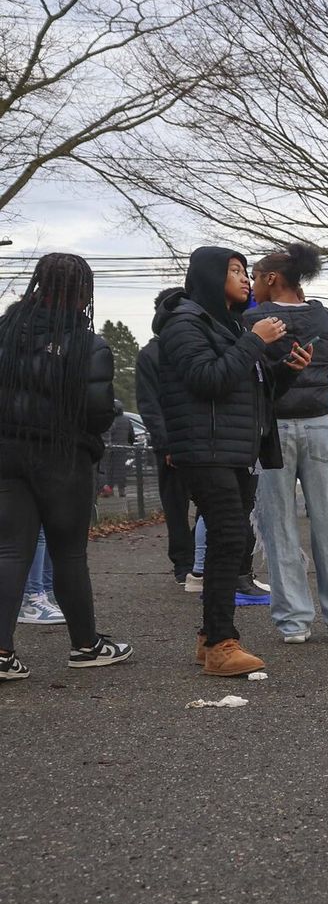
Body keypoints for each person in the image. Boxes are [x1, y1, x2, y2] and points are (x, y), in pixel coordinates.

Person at [155, 246, 310, 676]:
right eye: (235, 271)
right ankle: (222, 643)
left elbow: (248, 393)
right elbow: (208, 380)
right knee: (228, 538)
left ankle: (211, 639)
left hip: (234, 449)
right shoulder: (184, 323)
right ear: (209, 276)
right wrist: (255, 340)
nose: (245, 279)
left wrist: (287, 372)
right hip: (206, 451)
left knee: (232, 542)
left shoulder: (225, 326)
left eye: (245, 271)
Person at [0, 252, 129, 679]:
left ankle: (2, 653)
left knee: (10, 549)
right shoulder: (88, 345)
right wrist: (110, 408)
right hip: (63, 455)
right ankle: (86, 645)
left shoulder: (5, 330)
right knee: (69, 552)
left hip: (5, 450)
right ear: (84, 294)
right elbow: (94, 414)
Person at [242, 243, 328, 643]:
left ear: (272, 278)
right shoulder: (324, 316)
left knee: (279, 526)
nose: (252, 285)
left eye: (256, 277)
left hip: (272, 429)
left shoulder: (253, 319)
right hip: (319, 423)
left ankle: (294, 620)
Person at [136, 293, 197, 586]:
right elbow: (149, 404)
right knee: (176, 508)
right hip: (172, 444)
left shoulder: (196, 343)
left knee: (211, 506)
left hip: (203, 439)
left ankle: (200, 560)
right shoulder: (151, 354)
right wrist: (166, 444)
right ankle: (183, 564)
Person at [102, 401, 134, 498]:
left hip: (110, 448)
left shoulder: (110, 420)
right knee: (121, 470)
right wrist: (129, 444)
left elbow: (106, 433)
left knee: (109, 469)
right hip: (123, 448)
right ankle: (121, 489)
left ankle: (109, 489)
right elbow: (131, 434)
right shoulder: (126, 420)